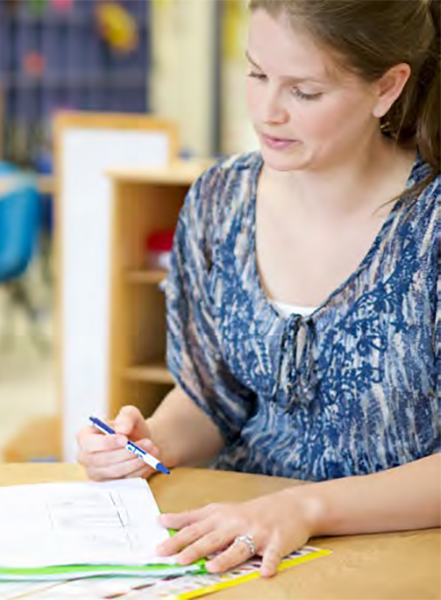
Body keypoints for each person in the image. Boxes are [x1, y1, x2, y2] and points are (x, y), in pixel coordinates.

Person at [77, 0, 440, 578]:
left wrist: (304, 507)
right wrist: (151, 444)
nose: (267, 111)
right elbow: (212, 400)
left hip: (404, 554)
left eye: (304, 92)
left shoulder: (430, 225)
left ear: (387, 88)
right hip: (244, 541)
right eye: (256, 74)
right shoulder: (219, 200)